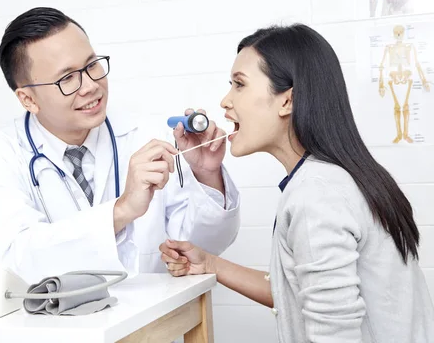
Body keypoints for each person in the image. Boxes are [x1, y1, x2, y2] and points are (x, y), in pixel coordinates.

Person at [160, 24, 434, 342]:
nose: (225, 101)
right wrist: (209, 263)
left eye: (239, 85)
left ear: (287, 101)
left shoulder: (316, 194)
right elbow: (304, 294)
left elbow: (334, 334)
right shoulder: (332, 178)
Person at [0, 7, 241, 284]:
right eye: (67, 78)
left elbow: (202, 250)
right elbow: (20, 259)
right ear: (28, 99)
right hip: (58, 324)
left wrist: (208, 176)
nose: (90, 86)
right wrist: (122, 211)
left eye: (91, 65)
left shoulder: (146, 137)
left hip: (149, 318)